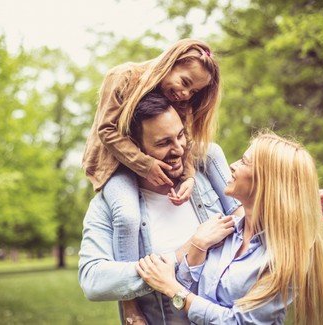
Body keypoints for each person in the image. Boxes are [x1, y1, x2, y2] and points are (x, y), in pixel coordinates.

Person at [78, 93, 323, 324]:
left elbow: (255, 208)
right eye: (163, 143)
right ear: (133, 149)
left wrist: (298, 200)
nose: (178, 149)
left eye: (180, 135)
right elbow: (93, 281)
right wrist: (186, 252)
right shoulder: (109, 205)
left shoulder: (206, 179)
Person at [81, 39, 232, 320]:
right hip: (114, 166)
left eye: (194, 90)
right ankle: (129, 305)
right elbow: (107, 129)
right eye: (185, 81)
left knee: (207, 150)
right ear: (171, 62)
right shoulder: (123, 77)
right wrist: (146, 164)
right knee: (126, 215)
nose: (185, 93)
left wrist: (189, 178)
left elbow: (183, 139)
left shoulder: (180, 103)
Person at [136, 131, 323, 324]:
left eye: (244, 162)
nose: (232, 165)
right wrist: (198, 246)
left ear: (267, 181)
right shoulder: (222, 231)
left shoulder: (285, 257)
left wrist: (172, 288)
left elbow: (238, 322)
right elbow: (193, 290)